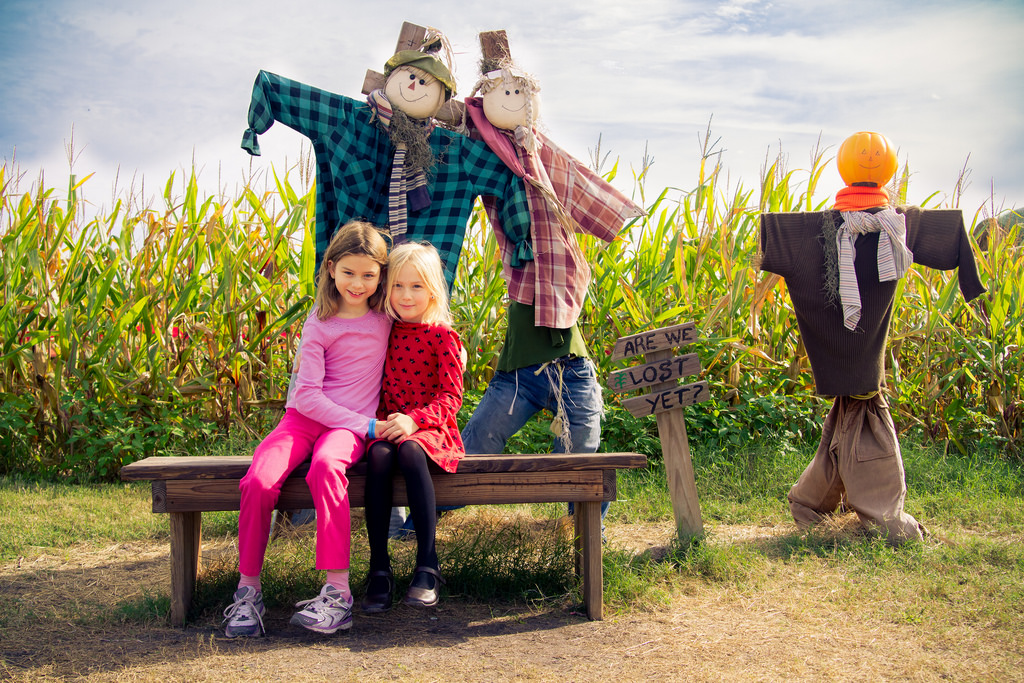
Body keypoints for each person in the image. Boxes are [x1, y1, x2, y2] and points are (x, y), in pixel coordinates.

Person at [759, 131, 985, 544]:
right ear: (888, 172)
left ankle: (811, 502)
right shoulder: (899, 225)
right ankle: (886, 521)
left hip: (837, 351)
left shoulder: (813, 229)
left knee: (851, 411)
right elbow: (953, 233)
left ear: (843, 169)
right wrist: (974, 290)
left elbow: (770, 241)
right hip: (864, 355)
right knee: (863, 412)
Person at [222, 221, 392, 637]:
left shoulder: (387, 320)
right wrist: (368, 425)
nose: (358, 283)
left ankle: (338, 594)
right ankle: (248, 592)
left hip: (343, 433)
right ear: (331, 269)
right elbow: (307, 398)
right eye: (349, 272)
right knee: (258, 481)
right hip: (307, 421)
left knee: (326, 469)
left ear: (380, 276)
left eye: (369, 275)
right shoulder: (319, 323)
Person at [361, 242, 465, 612]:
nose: (406, 295)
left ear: (433, 289)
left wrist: (414, 420)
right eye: (398, 286)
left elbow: (451, 398)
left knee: (409, 449)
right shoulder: (383, 332)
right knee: (379, 456)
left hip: (432, 428)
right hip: (390, 424)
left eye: (417, 286)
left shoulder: (443, 337)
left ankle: (427, 563)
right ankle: (379, 567)